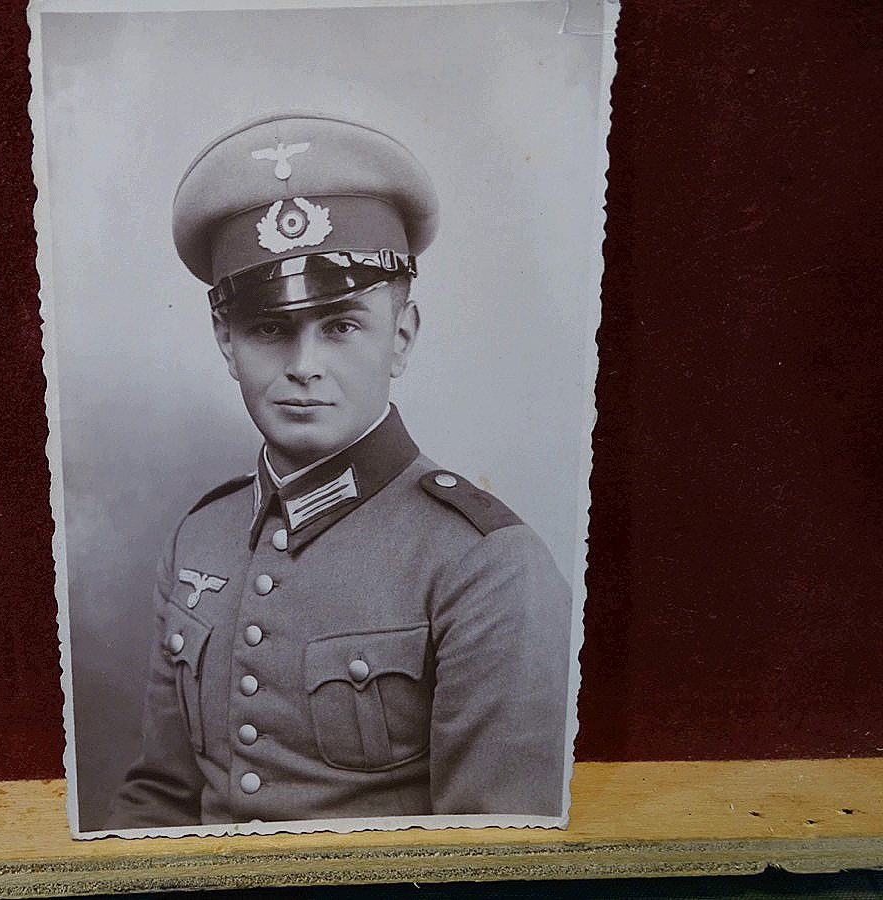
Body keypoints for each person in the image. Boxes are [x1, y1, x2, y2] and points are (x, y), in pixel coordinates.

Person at [106, 112, 572, 829]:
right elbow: (157, 802)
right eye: (269, 329)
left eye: (343, 326)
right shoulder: (200, 537)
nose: (303, 367)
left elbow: (494, 860)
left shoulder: (487, 565)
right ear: (226, 343)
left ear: (401, 338)